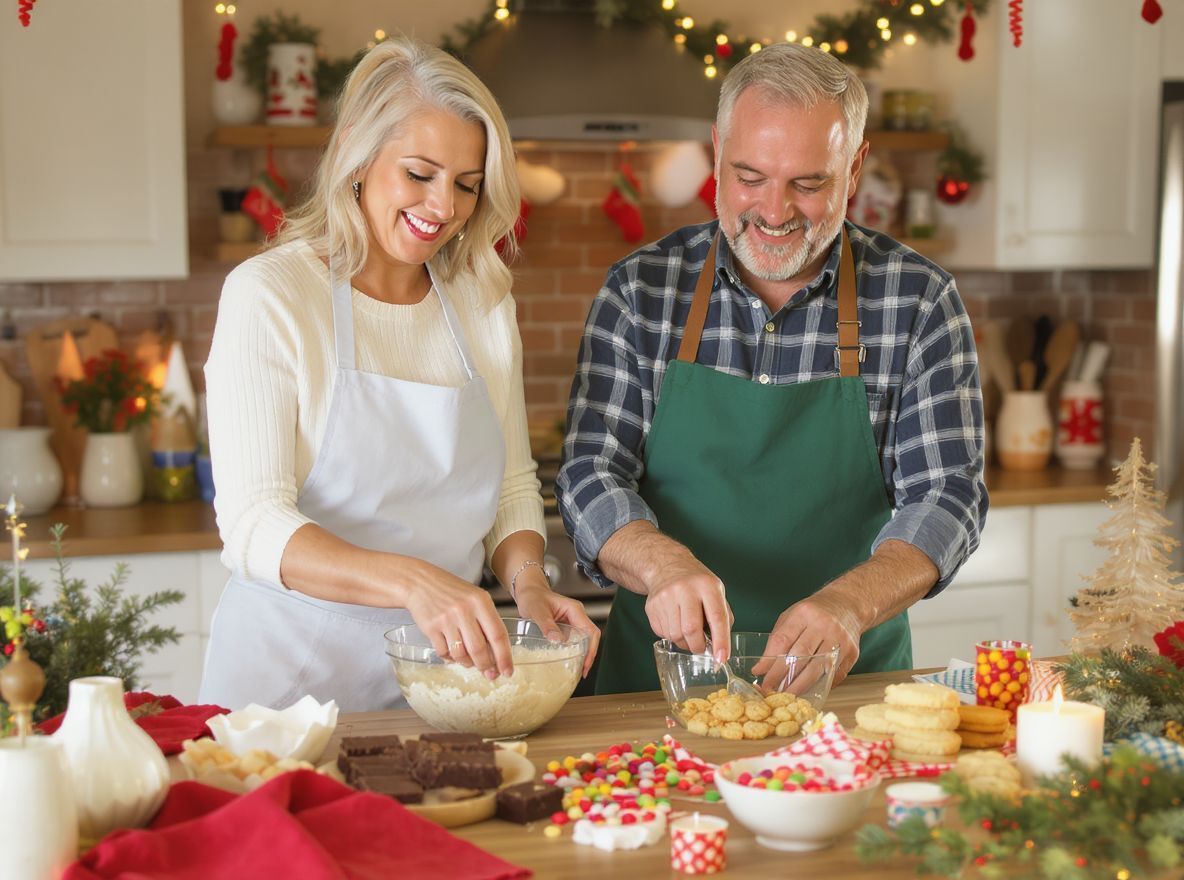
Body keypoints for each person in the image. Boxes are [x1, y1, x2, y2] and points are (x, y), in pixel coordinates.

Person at [557, 42, 987, 695]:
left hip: (847, 688)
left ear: (856, 166)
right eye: (750, 176)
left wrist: (852, 603)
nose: (775, 211)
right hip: (657, 688)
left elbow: (947, 494)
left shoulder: (918, 300)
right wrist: (659, 562)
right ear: (717, 150)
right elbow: (589, 471)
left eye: (808, 183)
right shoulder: (641, 291)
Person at [200, 37, 599, 712]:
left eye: (467, 184)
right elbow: (252, 521)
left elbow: (508, 484)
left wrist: (529, 583)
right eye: (419, 174)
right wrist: (417, 582)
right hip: (281, 699)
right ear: (359, 151)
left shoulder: (481, 301)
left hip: (437, 690)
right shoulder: (270, 295)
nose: (444, 206)